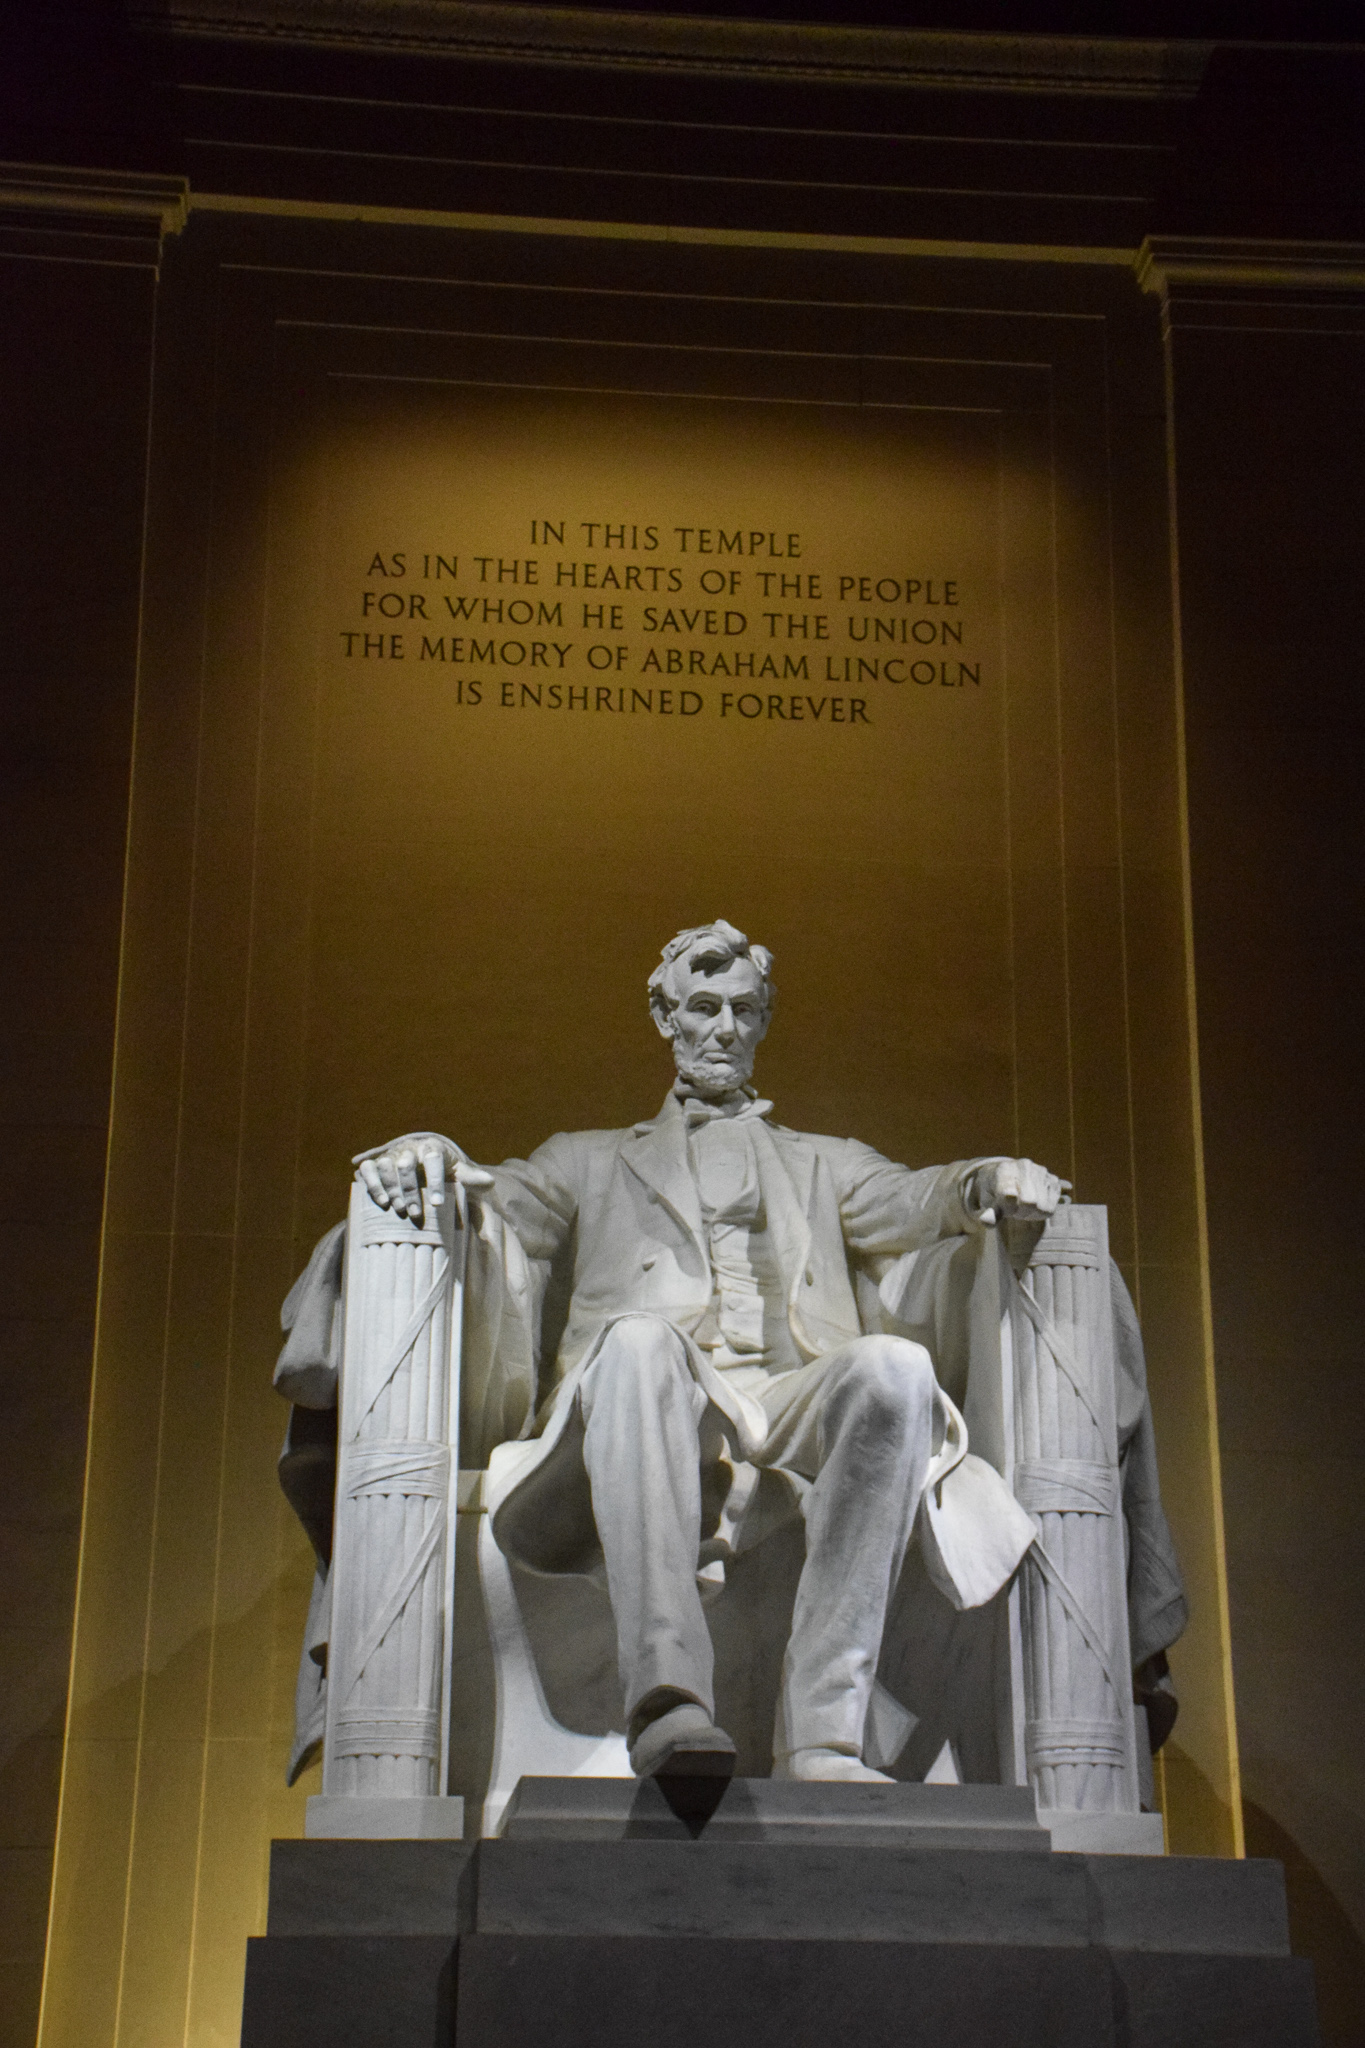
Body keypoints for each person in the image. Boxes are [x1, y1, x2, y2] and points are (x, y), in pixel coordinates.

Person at [353, 920, 1069, 1786]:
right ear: (665, 1018)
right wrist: (428, 1153)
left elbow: (914, 1198)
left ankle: (825, 1736)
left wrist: (984, 1179)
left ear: (763, 1021)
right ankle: (668, 1702)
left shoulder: (827, 1162)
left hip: (786, 1396)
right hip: (651, 1392)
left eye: (742, 1010)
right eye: (702, 1007)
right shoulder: (586, 1159)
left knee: (894, 1367)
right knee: (639, 1341)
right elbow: (499, 1200)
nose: (723, 1029)